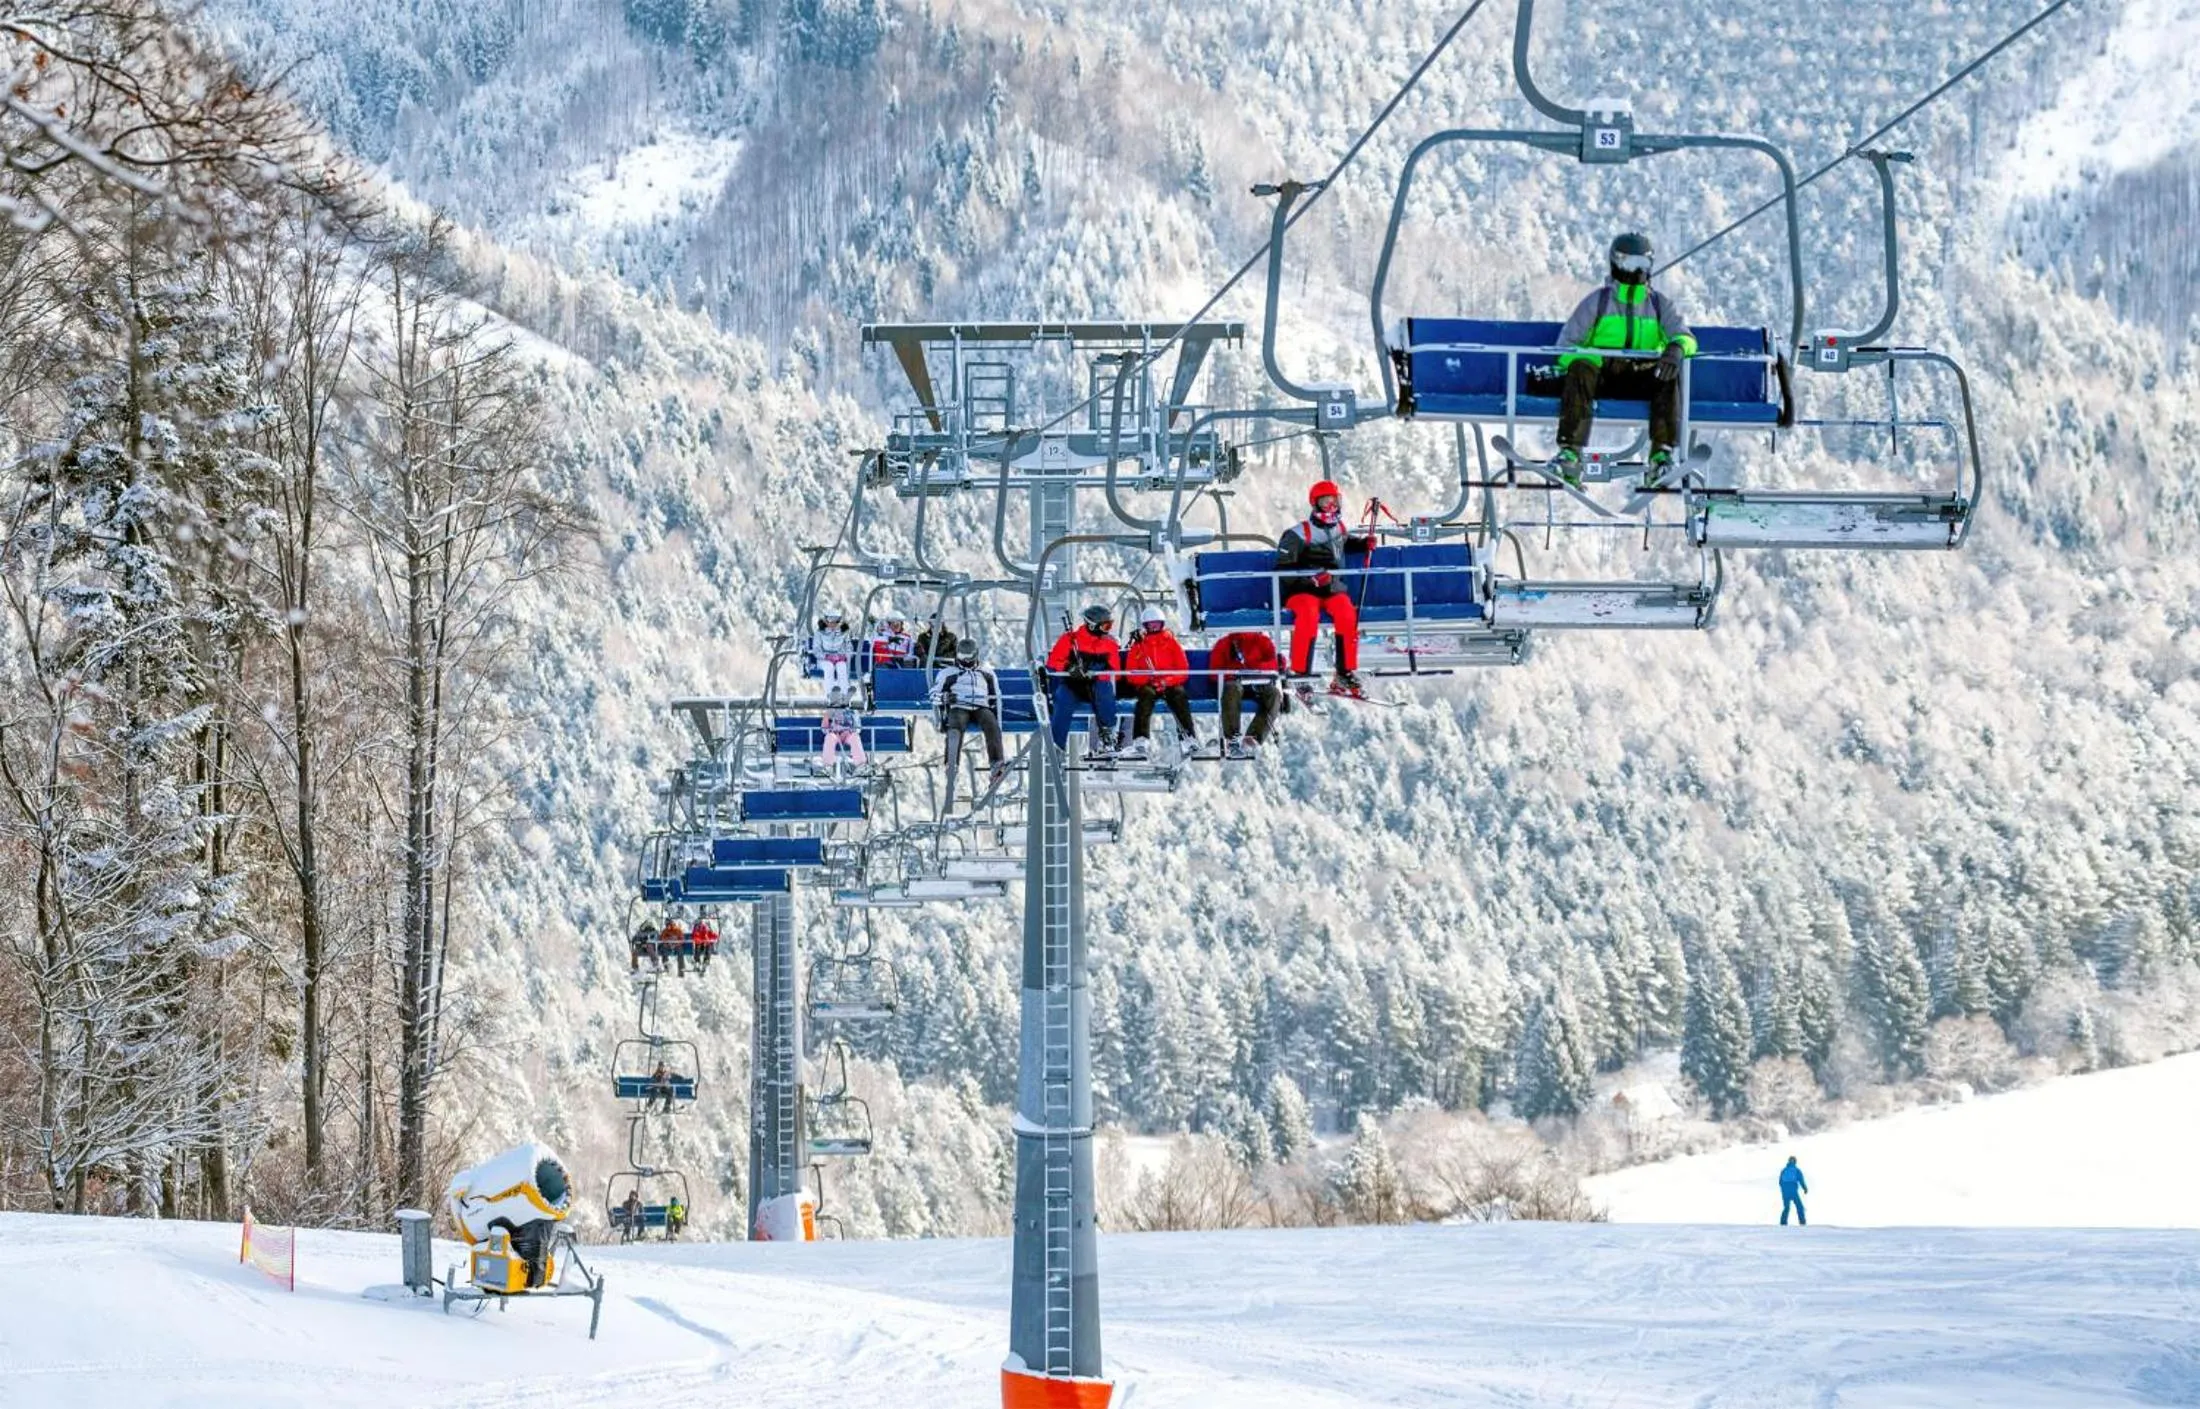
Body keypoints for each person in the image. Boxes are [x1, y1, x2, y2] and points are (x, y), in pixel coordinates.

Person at [1552, 231, 1697, 484]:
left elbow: (1686, 337)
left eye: (1644, 264)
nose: (1637, 270)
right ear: (1617, 262)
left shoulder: (1658, 305)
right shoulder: (1598, 302)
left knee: (1668, 373)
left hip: (1640, 374)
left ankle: (1661, 456)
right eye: (1631, 264)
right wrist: (1594, 359)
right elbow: (1565, 347)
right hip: (1602, 376)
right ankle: (1570, 453)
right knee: (1580, 367)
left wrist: (1676, 349)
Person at [1275, 479, 1375, 699]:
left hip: (1331, 590)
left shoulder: (1338, 527)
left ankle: (1344, 671)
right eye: (1326, 501)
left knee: (1347, 613)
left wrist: (1362, 544)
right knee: (1308, 614)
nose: (1331, 506)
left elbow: (1342, 544)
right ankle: (1300, 672)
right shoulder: (1299, 533)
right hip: (1301, 592)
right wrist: (1309, 579)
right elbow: (1283, 569)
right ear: (1316, 504)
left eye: (1334, 500)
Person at [933, 638, 1007, 809]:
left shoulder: (987, 673)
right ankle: (952, 763)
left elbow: (996, 696)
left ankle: (996, 763)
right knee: (955, 726)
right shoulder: (948, 673)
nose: (965, 661)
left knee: (991, 724)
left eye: (968, 657)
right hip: (960, 706)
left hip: (981, 706)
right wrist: (945, 698)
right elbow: (933, 694)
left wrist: (998, 719)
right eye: (962, 656)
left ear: (975, 655)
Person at [1044, 604, 1122, 756]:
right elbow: (1053, 662)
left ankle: (1107, 734)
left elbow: (1116, 673)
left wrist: (1097, 673)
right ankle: (1056, 745)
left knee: (1105, 690)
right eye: (1106, 626)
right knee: (1063, 698)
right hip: (1073, 684)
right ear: (1093, 626)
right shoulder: (1070, 640)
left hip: (1096, 686)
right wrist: (1070, 668)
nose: (1108, 630)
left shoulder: (1109, 645)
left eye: (1110, 626)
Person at [1122, 607, 1198, 761]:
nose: (1154, 627)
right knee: (1145, 696)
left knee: (1179, 695)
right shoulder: (1138, 645)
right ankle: (1140, 740)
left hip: (1168, 683)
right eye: (1151, 624)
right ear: (1145, 626)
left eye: (1157, 624)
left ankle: (1188, 738)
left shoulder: (1170, 642)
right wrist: (1147, 679)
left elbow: (1182, 669)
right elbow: (1131, 672)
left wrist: (1166, 681)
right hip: (1148, 683)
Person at [1209, 629, 1283, 758]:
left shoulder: (1263, 642)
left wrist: (1257, 669)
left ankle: (1253, 736)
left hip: (1258, 684)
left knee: (1274, 694)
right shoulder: (1224, 644)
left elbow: (1274, 664)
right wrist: (1235, 674)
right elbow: (1214, 673)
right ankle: (1232, 738)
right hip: (1235, 685)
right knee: (1232, 688)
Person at [819, 688, 867, 778]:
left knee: (855, 737)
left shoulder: (852, 712)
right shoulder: (829, 713)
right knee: (829, 737)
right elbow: (824, 728)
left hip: (848, 734)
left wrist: (852, 729)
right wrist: (829, 728)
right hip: (835, 735)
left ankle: (860, 765)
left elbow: (858, 727)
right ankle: (827, 766)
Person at [810, 611, 856, 696]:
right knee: (829, 667)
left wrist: (844, 656)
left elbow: (849, 647)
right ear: (826, 621)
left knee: (842, 667)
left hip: (839, 658)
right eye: (830, 621)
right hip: (823, 659)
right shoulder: (820, 633)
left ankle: (844, 693)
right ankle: (830, 694)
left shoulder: (843, 633)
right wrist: (826, 656)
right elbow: (816, 649)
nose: (833, 624)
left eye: (836, 622)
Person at [657, 911, 688, 977]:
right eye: (666, 925)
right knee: (664, 951)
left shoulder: (677, 930)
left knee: (680, 953)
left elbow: (682, 939)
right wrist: (667, 942)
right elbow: (662, 938)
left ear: (670, 924)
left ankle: (681, 971)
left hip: (677, 946)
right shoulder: (665, 931)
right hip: (668, 946)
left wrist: (675, 944)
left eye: (668, 925)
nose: (667, 926)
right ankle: (666, 968)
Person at [1779, 1156, 1808, 1226]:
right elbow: (1801, 1180)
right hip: (1793, 1190)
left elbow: (1780, 1182)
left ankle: (1783, 1222)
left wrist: (1783, 1190)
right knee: (1799, 1206)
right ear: (1795, 1162)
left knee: (1786, 1207)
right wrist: (1805, 1188)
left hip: (1785, 1191)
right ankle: (1802, 1222)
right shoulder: (1797, 1170)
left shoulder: (1784, 1170)